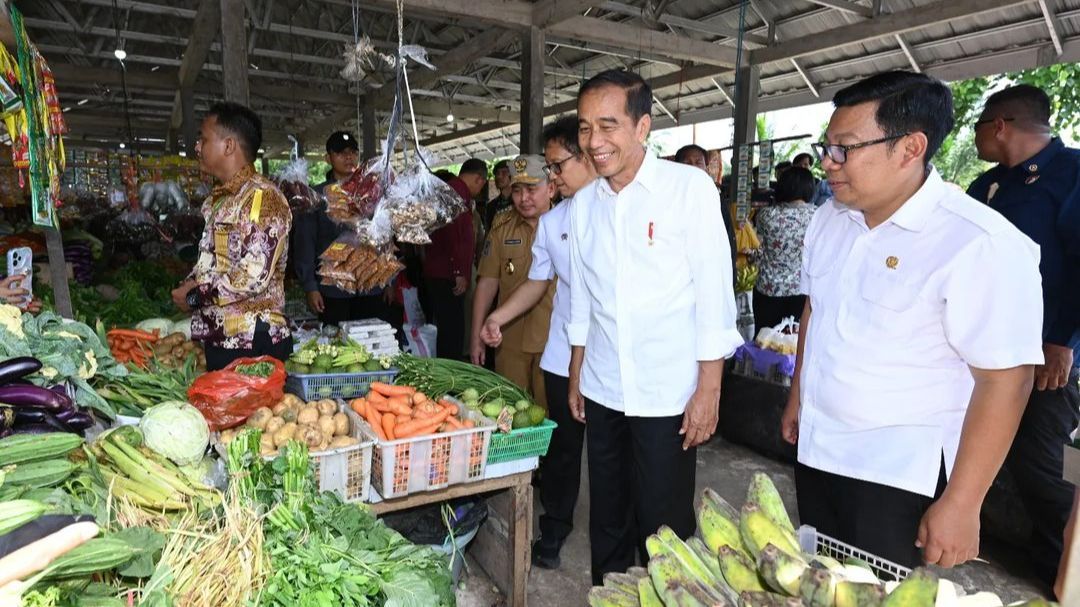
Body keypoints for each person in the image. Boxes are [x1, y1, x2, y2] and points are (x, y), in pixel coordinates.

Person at [780, 71, 1043, 569]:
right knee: (818, 582)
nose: (828, 164)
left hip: (897, 474)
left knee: (882, 595)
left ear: (910, 148)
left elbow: (1006, 381)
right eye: (826, 147)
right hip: (818, 451)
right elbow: (816, 307)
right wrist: (799, 395)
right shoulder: (829, 219)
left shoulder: (979, 244)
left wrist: (963, 503)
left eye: (845, 148)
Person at [567, 70, 742, 584]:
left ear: (642, 126)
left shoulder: (688, 190)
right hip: (603, 388)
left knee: (664, 524)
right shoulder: (581, 207)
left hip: (667, 394)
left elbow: (714, 295)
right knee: (608, 518)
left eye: (608, 125)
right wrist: (577, 372)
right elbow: (584, 301)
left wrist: (709, 388)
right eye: (583, 128)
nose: (594, 142)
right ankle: (611, 594)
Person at [967, 84, 1080, 588]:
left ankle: (1066, 572)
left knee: (1040, 467)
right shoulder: (987, 185)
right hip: (987, 348)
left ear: (1000, 126)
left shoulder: (1072, 173)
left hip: (1049, 353)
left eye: (978, 127)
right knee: (980, 447)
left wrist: (1064, 341)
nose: (975, 137)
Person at [479, 117, 596, 570]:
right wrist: (497, 318)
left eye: (554, 167)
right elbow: (536, 281)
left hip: (608, 357)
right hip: (562, 352)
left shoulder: (617, 209)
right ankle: (555, 527)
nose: (550, 178)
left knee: (608, 452)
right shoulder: (556, 223)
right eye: (547, 168)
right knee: (564, 446)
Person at [171, 102, 293, 371]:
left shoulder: (263, 199)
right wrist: (190, 283)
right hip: (224, 339)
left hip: (252, 341)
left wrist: (196, 296)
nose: (197, 147)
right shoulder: (222, 201)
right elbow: (214, 263)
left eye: (203, 139)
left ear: (228, 146)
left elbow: (253, 275)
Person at [471, 155, 555, 408]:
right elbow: (487, 282)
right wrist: (476, 335)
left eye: (532, 189)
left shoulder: (567, 224)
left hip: (553, 342)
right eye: (517, 190)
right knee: (511, 414)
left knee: (550, 417)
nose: (523, 198)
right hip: (509, 341)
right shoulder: (502, 226)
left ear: (551, 188)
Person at [294, 131, 392, 325]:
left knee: (371, 343)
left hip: (370, 286)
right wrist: (310, 287)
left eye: (353, 152)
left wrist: (389, 281)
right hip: (333, 290)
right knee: (337, 346)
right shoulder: (317, 197)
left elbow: (384, 237)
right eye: (340, 153)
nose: (348, 157)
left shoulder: (371, 193)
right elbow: (305, 243)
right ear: (328, 158)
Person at [423, 159, 483, 359]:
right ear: (478, 179)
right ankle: (449, 378)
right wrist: (459, 271)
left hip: (441, 270)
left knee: (449, 328)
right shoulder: (455, 194)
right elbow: (453, 236)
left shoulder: (452, 192)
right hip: (447, 273)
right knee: (452, 330)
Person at [751, 166, 815, 331]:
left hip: (768, 289)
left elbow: (761, 244)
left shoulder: (766, 215)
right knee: (795, 343)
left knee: (764, 342)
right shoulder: (817, 216)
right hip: (802, 290)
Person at [674, 143, 737, 287]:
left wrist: (730, 276)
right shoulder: (671, 197)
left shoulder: (714, 196)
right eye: (687, 162)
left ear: (706, 167)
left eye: (698, 162)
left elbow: (727, 237)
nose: (693, 167)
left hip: (711, 273)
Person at [483, 159, 513, 232]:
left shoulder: (520, 203)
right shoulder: (491, 206)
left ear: (513, 175)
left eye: (504, 172)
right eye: (497, 173)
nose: (499, 176)